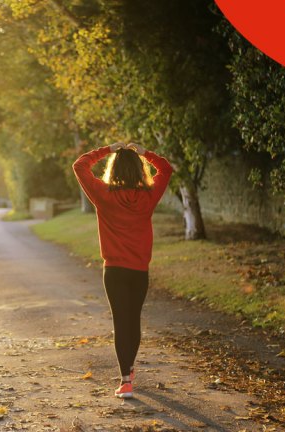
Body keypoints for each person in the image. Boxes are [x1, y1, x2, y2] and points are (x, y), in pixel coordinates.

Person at [72, 141, 173, 399]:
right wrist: (145, 153)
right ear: (140, 171)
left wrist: (107, 149)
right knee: (133, 320)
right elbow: (166, 169)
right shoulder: (149, 196)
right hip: (139, 270)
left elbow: (80, 165)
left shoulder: (103, 195)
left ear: (113, 170)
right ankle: (129, 370)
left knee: (120, 321)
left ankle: (125, 380)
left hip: (114, 271)